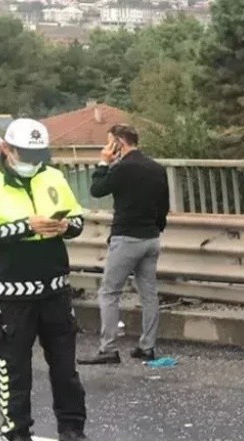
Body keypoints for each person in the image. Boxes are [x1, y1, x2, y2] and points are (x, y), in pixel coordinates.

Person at [0, 118, 93, 441]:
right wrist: (23, 227)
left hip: (55, 287)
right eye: (26, 153)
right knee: (14, 366)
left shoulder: (53, 177)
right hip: (10, 292)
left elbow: (77, 220)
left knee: (65, 364)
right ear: (7, 150)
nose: (33, 159)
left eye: (37, 153)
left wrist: (64, 225)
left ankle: (72, 427)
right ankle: (17, 432)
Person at [78, 124, 169, 365]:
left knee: (109, 292)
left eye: (110, 142)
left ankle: (108, 348)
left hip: (126, 238)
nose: (108, 147)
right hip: (151, 238)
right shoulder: (157, 168)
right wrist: (155, 228)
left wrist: (103, 163)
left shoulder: (121, 168)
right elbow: (164, 207)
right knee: (149, 293)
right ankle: (147, 347)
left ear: (119, 142)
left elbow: (97, 190)